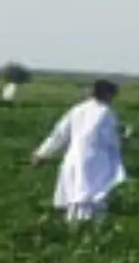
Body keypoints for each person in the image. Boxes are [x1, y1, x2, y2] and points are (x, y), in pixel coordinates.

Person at [31, 79, 127, 221]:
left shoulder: (77, 110)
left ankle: (73, 232)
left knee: (75, 200)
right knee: (93, 201)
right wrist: (123, 141)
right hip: (96, 160)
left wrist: (41, 154)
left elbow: (59, 135)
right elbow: (112, 140)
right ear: (107, 95)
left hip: (73, 158)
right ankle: (90, 236)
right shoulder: (107, 113)